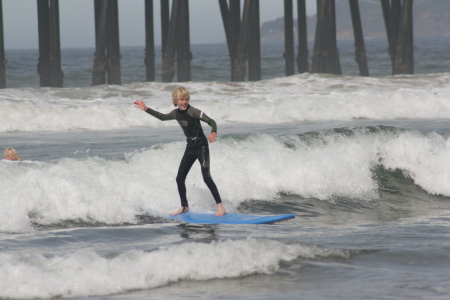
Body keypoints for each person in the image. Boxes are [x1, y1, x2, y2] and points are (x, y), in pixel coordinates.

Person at [134, 87, 226, 216]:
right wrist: (146, 109)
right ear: (176, 101)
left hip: (201, 146)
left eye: (186, 99)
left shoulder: (194, 112)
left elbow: (212, 121)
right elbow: (162, 117)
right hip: (190, 147)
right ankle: (184, 206)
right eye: (181, 99)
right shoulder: (175, 113)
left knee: (206, 177)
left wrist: (213, 133)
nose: (184, 102)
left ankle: (221, 207)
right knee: (179, 178)